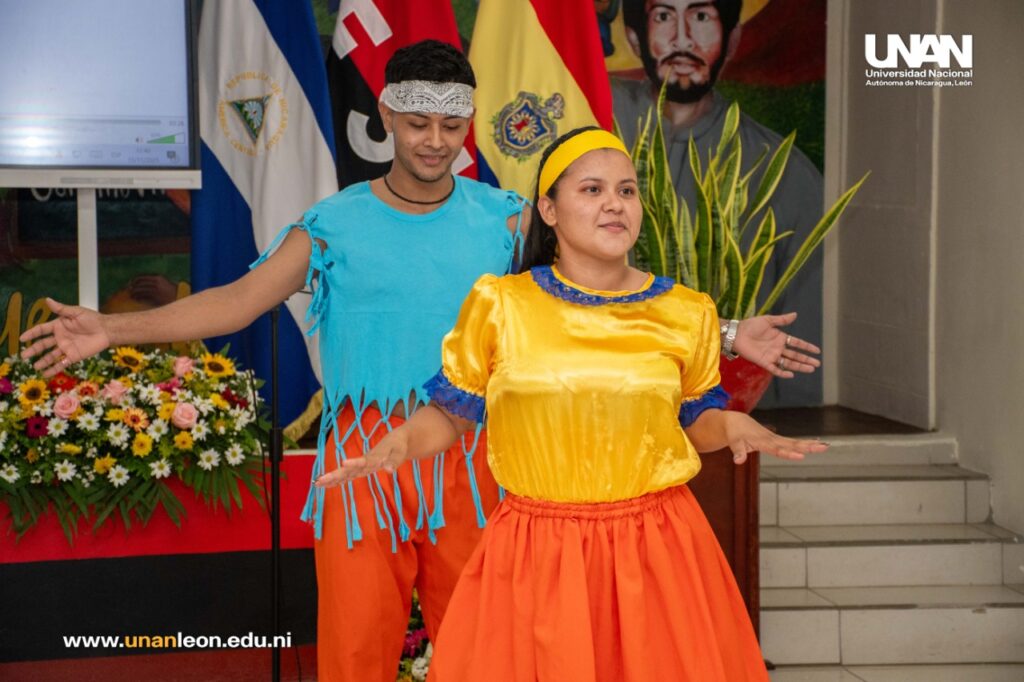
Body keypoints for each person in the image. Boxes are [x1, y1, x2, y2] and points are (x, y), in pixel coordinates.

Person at [22, 41, 815, 682]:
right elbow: (238, 301)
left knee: (487, 655)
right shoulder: (333, 223)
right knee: (353, 656)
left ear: (468, 123)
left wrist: (727, 332)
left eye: (451, 125)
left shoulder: (509, 220)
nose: (435, 141)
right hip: (363, 465)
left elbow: (606, 301)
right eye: (417, 123)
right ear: (387, 118)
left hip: (474, 459)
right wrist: (111, 330)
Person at [314, 127, 828, 681]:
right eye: (592, 189)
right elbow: (453, 412)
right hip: (536, 549)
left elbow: (694, 422)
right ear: (549, 210)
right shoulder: (500, 304)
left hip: (654, 551)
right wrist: (400, 442)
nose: (615, 203)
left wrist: (731, 426)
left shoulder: (687, 312)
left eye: (627, 191)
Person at [614, 0, 826, 407]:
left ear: (732, 39)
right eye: (663, 17)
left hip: (730, 413)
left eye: (700, 17)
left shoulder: (786, 174)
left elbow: (801, 349)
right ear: (634, 36)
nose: (682, 38)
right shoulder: (594, 132)